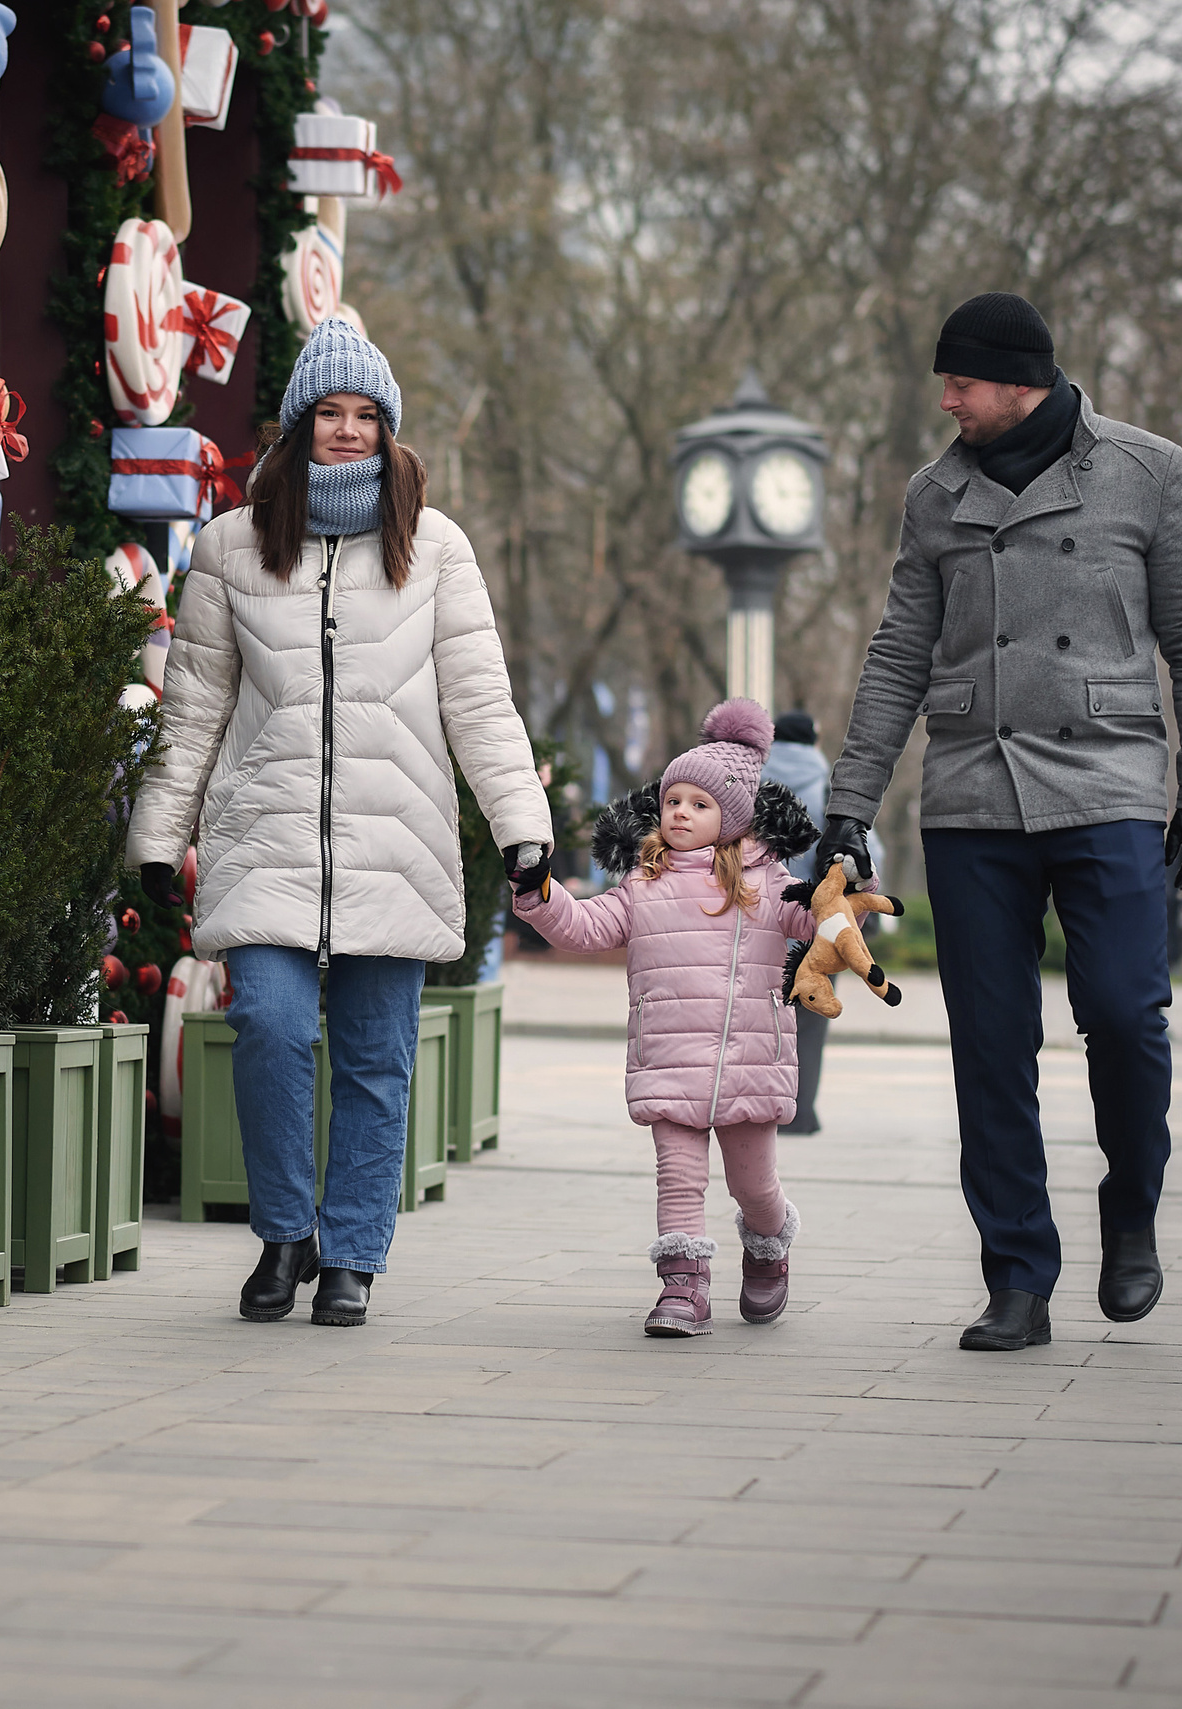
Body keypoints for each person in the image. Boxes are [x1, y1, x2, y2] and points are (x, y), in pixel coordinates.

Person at [815, 292, 1182, 1352]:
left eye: (961, 382)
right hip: (970, 796)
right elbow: (897, 652)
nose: (946, 399)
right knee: (989, 1046)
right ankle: (1016, 1274)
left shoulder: (1146, 470)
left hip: (1109, 782)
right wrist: (847, 808)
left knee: (1126, 1013)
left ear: (1020, 381)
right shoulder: (934, 494)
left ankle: (1131, 1205)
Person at [127, 317, 554, 1328]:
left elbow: (479, 701)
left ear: (390, 430)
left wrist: (519, 825)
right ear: (298, 424)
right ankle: (285, 1234)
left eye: (367, 416)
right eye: (332, 412)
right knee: (267, 1028)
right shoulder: (230, 547)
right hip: (264, 832)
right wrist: (157, 830)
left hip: (394, 838)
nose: (349, 431)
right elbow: (192, 706)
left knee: (376, 1055)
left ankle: (353, 1250)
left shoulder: (434, 546)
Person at [513, 701, 824, 1335]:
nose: (679, 812)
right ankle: (683, 1288)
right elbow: (583, 927)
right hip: (669, 1063)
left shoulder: (769, 886)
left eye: (699, 804)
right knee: (678, 1179)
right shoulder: (642, 885)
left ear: (731, 818)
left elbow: (819, 924)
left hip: (749, 1069)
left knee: (753, 1186)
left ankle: (769, 1250)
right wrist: (540, 892)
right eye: (673, 799)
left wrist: (845, 900)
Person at [759, 710, 881, 1134]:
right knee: (810, 1013)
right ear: (812, 738)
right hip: (819, 919)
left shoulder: (750, 785)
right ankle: (800, 1112)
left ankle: (756, 1108)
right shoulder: (833, 789)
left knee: (755, 1012)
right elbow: (867, 853)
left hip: (755, 914)